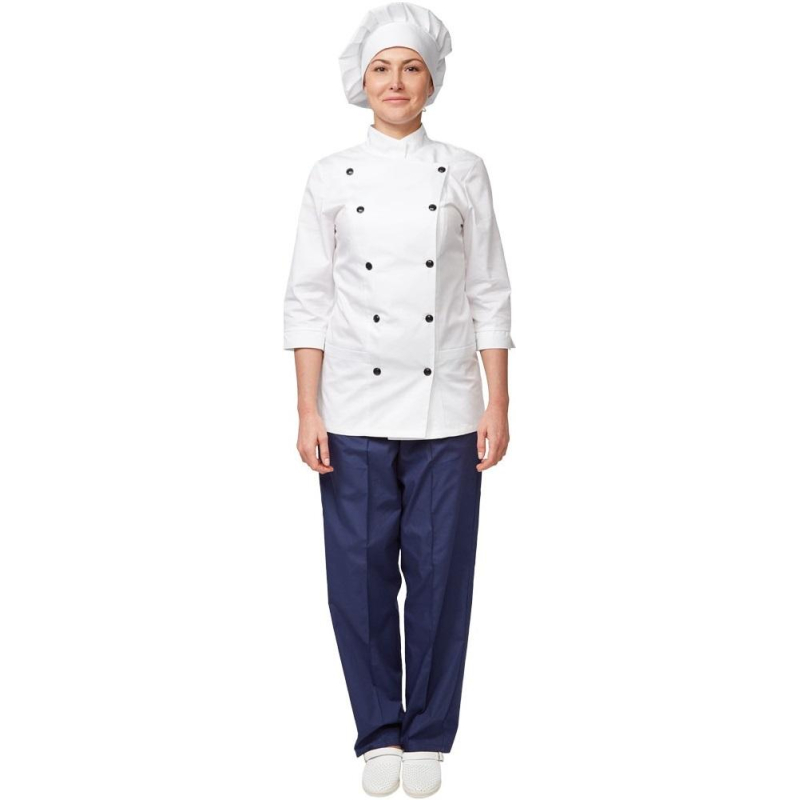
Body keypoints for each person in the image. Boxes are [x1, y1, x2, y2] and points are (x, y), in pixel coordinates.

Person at [283, 2, 515, 796]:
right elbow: (307, 300)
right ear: (362, 80)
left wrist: (498, 403)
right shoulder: (329, 175)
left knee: (443, 576)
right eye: (381, 68)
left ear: (431, 80)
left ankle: (430, 734)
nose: (395, 81)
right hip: (350, 404)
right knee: (357, 578)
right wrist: (307, 408)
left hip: (448, 405)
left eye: (410, 67)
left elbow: (489, 291)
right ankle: (378, 730)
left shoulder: (465, 170)